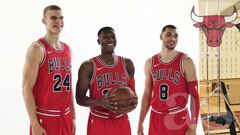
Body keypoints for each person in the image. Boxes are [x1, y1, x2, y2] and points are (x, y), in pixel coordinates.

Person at [137, 25, 200, 135]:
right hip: (156, 117)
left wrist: (193, 125)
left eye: (176, 36)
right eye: (169, 35)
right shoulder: (150, 62)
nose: (173, 39)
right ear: (161, 36)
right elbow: (147, 94)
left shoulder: (186, 61)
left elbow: (194, 95)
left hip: (177, 116)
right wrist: (140, 122)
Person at [22, 5, 75, 135]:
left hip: (65, 117)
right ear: (44, 21)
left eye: (61, 18)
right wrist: (34, 123)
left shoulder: (68, 49)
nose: (58, 21)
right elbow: (26, 88)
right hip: (45, 117)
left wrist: (73, 116)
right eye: (53, 18)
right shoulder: (37, 49)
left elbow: (68, 86)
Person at [76, 26, 137, 135]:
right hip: (99, 120)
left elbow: (133, 95)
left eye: (113, 37)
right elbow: (79, 99)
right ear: (98, 41)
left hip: (121, 120)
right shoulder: (88, 66)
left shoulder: (127, 64)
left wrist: (131, 103)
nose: (110, 39)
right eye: (105, 37)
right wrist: (100, 102)